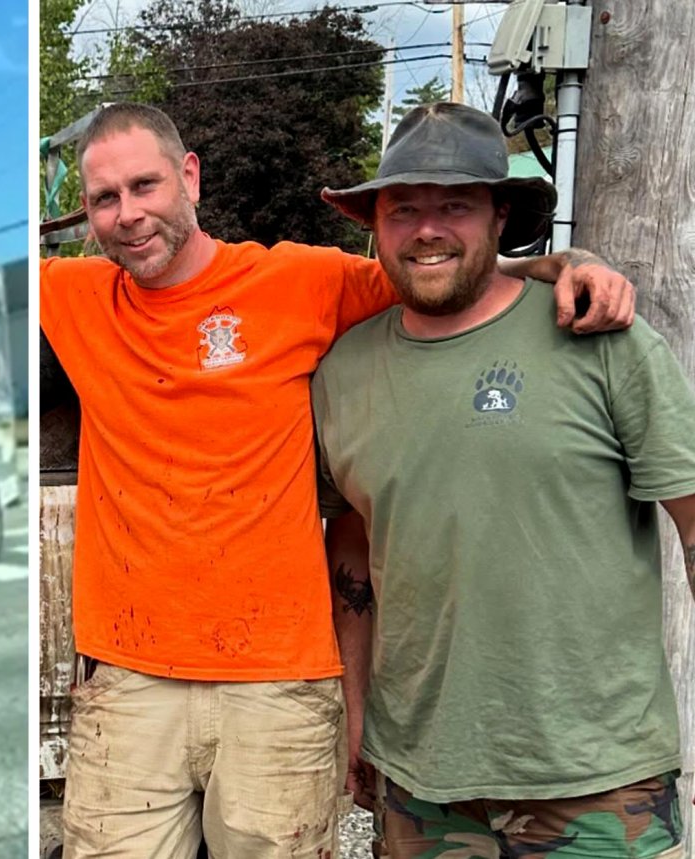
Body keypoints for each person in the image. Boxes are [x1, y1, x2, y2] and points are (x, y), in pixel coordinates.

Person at [40, 101, 636, 859]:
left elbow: (444, 273)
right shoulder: (71, 296)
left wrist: (565, 264)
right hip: (127, 679)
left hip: (279, 682)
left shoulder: (301, 280)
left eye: (145, 185)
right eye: (104, 198)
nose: (129, 214)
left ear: (189, 176)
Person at [314, 101, 695, 859]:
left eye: (454, 204)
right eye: (403, 208)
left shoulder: (599, 338)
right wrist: (356, 710)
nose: (427, 228)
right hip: (423, 779)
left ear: (500, 216)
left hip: (595, 778)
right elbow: (351, 541)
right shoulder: (342, 371)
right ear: (376, 225)